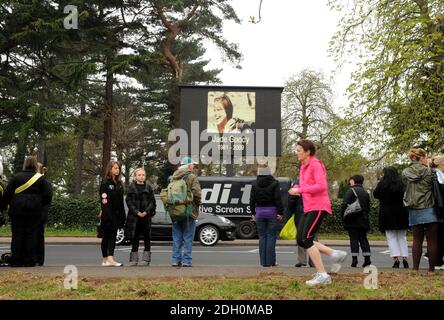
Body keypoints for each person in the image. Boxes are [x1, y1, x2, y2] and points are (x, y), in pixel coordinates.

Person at [288, 139, 347, 286]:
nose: (296, 153)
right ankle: (334, 254)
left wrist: (300, 190)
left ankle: (323, 275)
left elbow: (321, 186)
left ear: (308, 152)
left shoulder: (315, 164)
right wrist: (296, 186)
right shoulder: (303, 166)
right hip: (309, 207)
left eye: (298, 151)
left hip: (319, 206)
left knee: (307, 240)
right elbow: (302, 183)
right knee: (301, 240)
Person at [2, 156, 52, 267]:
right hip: (34, 211)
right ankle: (29, 260)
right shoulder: (41, 179)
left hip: (17, 210)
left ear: (25, 164)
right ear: (35, 165)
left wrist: (4, 207)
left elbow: (7, 194)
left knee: (17, 235)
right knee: (31, 234)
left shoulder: (16, 178)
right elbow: (48, 196)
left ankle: (16, 260)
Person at [402, 148, 439, 272]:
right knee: (432, 240)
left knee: (417, 239)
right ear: (422, 158)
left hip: (414, 207)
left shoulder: (405, 172)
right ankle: (431, 269)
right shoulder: (430, 172)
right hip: (429, 207)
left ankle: (415, 269)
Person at [374, 167, 409, 268]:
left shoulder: (382, 184)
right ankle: (405, 258)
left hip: (387, 212)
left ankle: (395, 259)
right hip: (401, 212)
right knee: (402, 237)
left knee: (391, 237)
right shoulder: (401, 184)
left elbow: (375, 194)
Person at [250, 160, 284, 267]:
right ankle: (271, 261)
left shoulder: (254, 183)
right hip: (271, 212)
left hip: (259, 212)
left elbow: (252, 200)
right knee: (271, 237)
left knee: (262, 237)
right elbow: (278, 199)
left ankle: (263, 262)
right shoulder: (275, 183)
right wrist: (280, 212)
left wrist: (253, 212)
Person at [170, 156, 202, 267]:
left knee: (177, 238)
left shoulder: (174, 177)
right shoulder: (192, 177)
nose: (193, 166)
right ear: (189, 166)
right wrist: (197, 204)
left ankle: (175, 260)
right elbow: (197, 193)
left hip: (175, 211)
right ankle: (186, 261)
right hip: (188, 211)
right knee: (188, 237)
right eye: (192, 164)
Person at [125, 168, 156, 266]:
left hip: (146, 217)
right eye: (139, 175)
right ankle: (134, 259)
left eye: (143, 175)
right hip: (135, 217)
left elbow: (152, 201)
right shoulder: (131, 187)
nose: (141, 176)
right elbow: (128, 201)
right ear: (135, 176)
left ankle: (146, 259)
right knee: (135, 237)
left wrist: (146, 211)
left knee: (147, 237)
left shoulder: (149, 187)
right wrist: (136, 212)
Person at [341, 174, 372, 268]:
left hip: (352, 220)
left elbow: (344, 204)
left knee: (353, 239)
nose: (350, 182)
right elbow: (368, 207)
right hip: (363, 220)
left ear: (354, 181)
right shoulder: (365, 192)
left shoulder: (351, 191)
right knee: (363, 238)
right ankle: (367, 258)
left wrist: (343, 216)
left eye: (351, 180)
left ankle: (354, 259)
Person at [99, 160, 126, 267]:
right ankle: (105, 259)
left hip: (117, 215)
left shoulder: (119, 184)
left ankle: (110, 258)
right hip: (107, 215)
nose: (117, 170)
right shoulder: (105, 183)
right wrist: (108, 216)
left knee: (113, 237)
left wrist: (122, 216)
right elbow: (104, 202)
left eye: (118, 168)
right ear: (110, 169)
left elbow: (120, 202)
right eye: (115, 168)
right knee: (106, 237)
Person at [287, 178, 315, 267]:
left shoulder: (297, 182)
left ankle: (302, 260)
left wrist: (290, 212)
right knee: (313, 236)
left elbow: (292, 199)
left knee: (300, 235)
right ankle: (313, 260)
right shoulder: (314, 181)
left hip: (301, 212)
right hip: (313, 211)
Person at [35, 162, 51, 266]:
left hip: (39, 213)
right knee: (38, 236)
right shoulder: (44, 182)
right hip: (39, 213)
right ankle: (38, 258)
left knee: (38, 237)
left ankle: (39, 259)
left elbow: (47, 200)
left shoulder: (43, 182)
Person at [431, 155, 444, 268]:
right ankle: (437, 260)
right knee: (439, 235)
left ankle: (438, 260)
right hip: (439, 208)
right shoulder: (436, 176)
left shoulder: (435, 175)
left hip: (438, 208)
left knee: (439, 235)